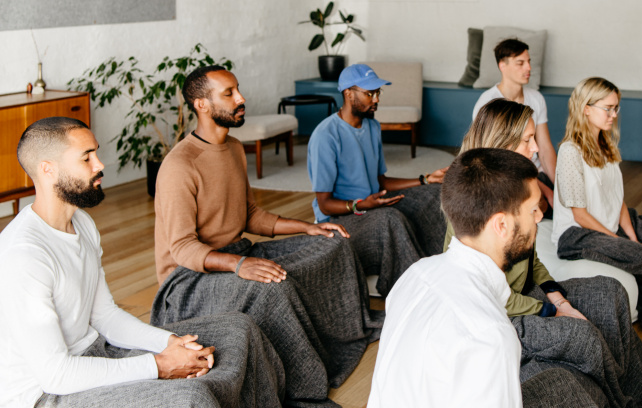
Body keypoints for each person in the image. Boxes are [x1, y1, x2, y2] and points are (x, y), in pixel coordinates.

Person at [0, 117, 285, 408]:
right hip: (48, 395)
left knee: (238, 329)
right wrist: (160, 365)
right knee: (190, 397)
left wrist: (169, 343)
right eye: (86, 158)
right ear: (48, 169)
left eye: (96, 153)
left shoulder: (82, 223)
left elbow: (104, 316)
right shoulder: (23, 255)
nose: (99, 165)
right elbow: (56, 375)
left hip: (96, 351)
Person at [151, 65, 382, 407]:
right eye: (228, 94)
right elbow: (183, 249)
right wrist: (240, 264)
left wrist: (308, 227)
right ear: (201, 104)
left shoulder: (232, 148)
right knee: (274, 287)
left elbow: (251, 216)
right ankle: (307, 381)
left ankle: (346, 332)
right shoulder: (179, 165)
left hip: (237, 252)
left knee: (333, 242)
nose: (241, 98)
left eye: (237, 89)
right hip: (187, 283)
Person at [443, 99, 642, 407]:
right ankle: (618, 400)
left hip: (528, 295)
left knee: (609, 291)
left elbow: (531, 259)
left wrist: (557, 297)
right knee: (581, 334)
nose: (536, 148)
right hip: (500, 314)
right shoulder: (473, 197)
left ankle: (634, 389)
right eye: (527, 140)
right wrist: (552, 310)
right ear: (502, 143)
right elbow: (486, 293)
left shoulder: (518, 184)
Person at [369, 148, 585, 408]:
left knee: (562, 382)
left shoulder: (415, 273)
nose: (540, 216)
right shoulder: (491, 337)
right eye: (532, 210)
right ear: (501, 225)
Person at [553, 77, 642, 334]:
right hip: (578, 234)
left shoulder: (607, 147)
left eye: (616, 108)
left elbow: (617, 201)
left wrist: (631, 236)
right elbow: (580, 215)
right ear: (586, 108)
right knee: (638, 254)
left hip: (610, 226)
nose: (613, 115)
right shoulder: (570, 152)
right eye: (607, 108)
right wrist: (621, 242)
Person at [307, 63, 448, 296]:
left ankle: (439, 269)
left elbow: (380, 182)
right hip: (341, 217)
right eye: (369, 93)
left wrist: (425, 179)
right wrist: (363, 205)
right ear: (348, 94)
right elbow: (324, 204)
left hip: (373, 203)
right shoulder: (325, 136)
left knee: (435, 195)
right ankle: (415, 293)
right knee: (389, 219)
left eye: (377, 93)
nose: (376, 100)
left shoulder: (372, 126)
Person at [473, 38, 556, 214]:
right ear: (502, 65)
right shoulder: (487, 104)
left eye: (528, 62)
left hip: (538, 173)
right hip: (507, 176)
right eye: (520, 63)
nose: (528, 68)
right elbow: (492, 160)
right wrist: (547, 192)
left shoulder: (536, 98)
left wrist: (559, 187)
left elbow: (545, 147)